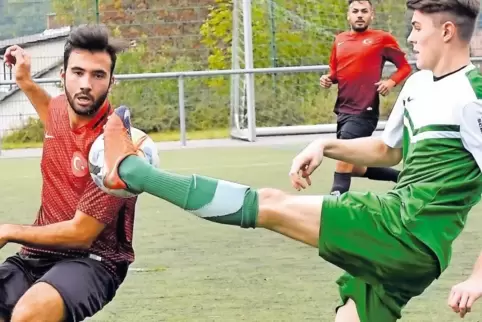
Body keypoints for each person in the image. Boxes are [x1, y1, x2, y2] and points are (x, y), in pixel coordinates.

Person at [101, 0, 481, 321]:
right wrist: (324, 146)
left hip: (404, 230)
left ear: (447, 31)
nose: (411, 37)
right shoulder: (417, 84)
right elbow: (387, 150)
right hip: (408, 247)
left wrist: (477, 279)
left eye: (417, 28)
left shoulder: (473, 96)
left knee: (269, 204)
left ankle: (132, 172)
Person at [0, 25, 138, 321]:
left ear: (112, 82)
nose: (86, 84)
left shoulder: (114, 144)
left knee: (29, 314)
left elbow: (81, 234)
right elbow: (50, 111)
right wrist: (24, 78)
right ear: (63, 76)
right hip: (36, 256)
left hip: (94, 261)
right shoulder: (60, 109)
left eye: (98, 75)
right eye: (78, 72)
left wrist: (9, 230)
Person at [320, 0, 412, 196]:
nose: (359, 15)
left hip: (365, 110)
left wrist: (390, 82)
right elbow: (335, 73)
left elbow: (405, 67)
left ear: (372, 16)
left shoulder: (382, 39)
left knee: (343, 157)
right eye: (355, 11)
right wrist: (328, 79)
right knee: (353, 166)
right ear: (348, 15)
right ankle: (402, 177)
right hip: (343, 109)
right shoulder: (340, 40)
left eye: (364, 11)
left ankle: (335, 202)